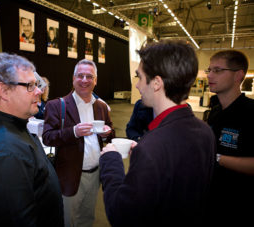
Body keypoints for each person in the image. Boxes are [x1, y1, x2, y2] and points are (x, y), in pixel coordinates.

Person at [99, 40, 216, 226]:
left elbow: (121, 215)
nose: (137, 86)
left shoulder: (152, 145)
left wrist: (110, 161)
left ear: (156, 83)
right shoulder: (205, 131)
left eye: (139, 77)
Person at [0, 53, 63, 226]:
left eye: (37, 84)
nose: (40, 91)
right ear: (4, 91)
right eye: (30, 85)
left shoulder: (5, 126)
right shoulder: (4, 154)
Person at [42, 59, 115, 227]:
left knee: (87, 218)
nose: (84, 80)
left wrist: (106, 134)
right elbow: (48, 137)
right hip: (69, 175)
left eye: (89, 76)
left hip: (95, 174)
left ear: (95, 81)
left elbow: (110, 132)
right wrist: (74, 132)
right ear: (73, 78)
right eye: (80, 75)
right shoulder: (56, 105)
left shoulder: (102, 107)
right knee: (68, 220)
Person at [205, 50, 254, 225]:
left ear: (238, 75)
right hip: (212, 200)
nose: (210, 75)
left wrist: (216, 158)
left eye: (217, 70)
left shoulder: (250, 113)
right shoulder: (215, 112)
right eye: (209, 70)